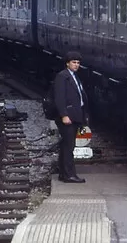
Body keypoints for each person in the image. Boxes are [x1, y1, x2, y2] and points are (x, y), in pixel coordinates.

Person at [53, 51, 88, 183]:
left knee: (66, 146)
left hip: (75, 116)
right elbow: (59, 97)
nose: (76, 65)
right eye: (73, 62)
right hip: (68, 117)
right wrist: (64, 115)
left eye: (78, 63)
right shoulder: (63, 76)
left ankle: (63, 173)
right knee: (69, 147)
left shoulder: (74, 76)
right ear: (67, 63)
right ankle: (69, 175)